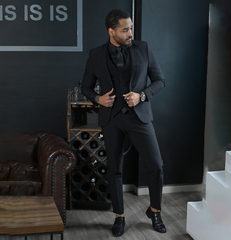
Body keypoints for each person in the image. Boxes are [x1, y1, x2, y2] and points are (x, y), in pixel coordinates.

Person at [81, 9, 166, 237]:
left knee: (156, 165)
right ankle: (119, 216)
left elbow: (159, 80)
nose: (130, 33)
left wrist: (143, 95)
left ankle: (155, 211)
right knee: (114, 169)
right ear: (111, 31)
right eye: (125, 30)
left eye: (131, 28)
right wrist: (98, 99)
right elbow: (86, 87)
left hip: (139, 116)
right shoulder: (96, 54)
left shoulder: (143, 48)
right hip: (112, 119)